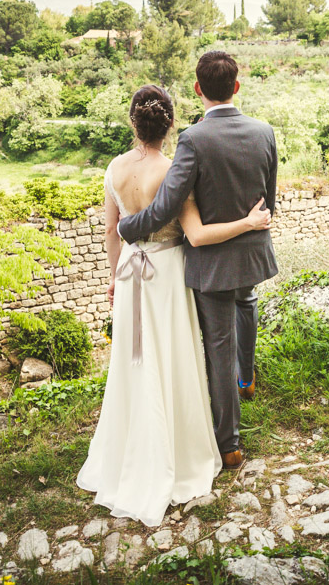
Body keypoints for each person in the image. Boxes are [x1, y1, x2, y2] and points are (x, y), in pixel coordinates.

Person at [76, 84, 272, 527]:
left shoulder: (114, 168)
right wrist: (249, 221)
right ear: (169, 124)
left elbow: (112, 231)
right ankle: (179, 452)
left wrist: (112, 279)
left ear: (132, 122)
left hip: (129, 275)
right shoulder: (174, 169)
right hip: (165, 275)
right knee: (172, 360)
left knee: (132, 363)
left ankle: (129, 452)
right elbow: (197, 235)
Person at [116, 52, 279, 470]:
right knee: (247, 301)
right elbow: (269, 199)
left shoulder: (194, 139)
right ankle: (248, 376)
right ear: (236, 87)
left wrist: (128, 229)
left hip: (212, 263)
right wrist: (251, 225)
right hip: (254, 254)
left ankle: (230, 444)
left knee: (218, 349)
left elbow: (167, 205)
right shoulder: (265, 132)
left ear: (197, 89)